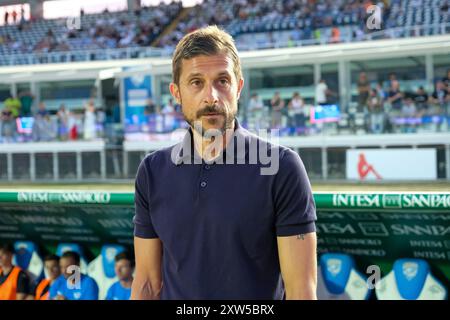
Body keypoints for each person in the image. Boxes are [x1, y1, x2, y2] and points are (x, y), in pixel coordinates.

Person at [131, 25, 317, 300]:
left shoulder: (281, 167)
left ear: (238, 87)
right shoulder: (152, 171)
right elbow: (147, 283)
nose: (212, 97)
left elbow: (301, 292)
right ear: (176, 92)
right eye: (196, 82)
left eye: (223, 81)